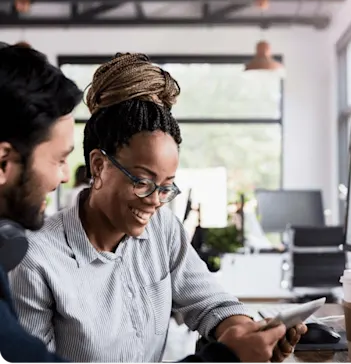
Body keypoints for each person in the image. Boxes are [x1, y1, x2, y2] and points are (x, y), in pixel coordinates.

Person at [0, 42, 291, 364]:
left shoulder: (162, 228)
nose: (154, 201)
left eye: (166, 186)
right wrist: (226, 359)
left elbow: (209, 303)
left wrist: (248, 336)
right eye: (141, 181)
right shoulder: (34, 259)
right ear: (98, 167)